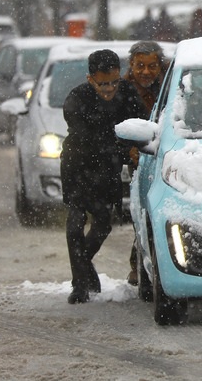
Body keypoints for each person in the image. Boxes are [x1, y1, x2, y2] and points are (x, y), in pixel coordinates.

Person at [61, 49, 146, 304]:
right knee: (75, 221)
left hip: (108, 169)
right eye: (103, 83)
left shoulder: (128, 93)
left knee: (102, 223)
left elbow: (141, 123)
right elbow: (91, 141)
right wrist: (124, 149)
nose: (109, 89)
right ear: (90, 79)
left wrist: (134, 146)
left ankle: (83, 266)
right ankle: (79, 284)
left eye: (114, 82)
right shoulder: (76, 100)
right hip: (78, 166)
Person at [122, 41, 168, 285]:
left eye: (152, 66)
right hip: (140, 158)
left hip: (165, 155)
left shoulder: (168, 85)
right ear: (131, 65)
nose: (146, 72)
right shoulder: (122, 89)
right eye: (140, 66)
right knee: (141, 211)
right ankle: (138, 264)